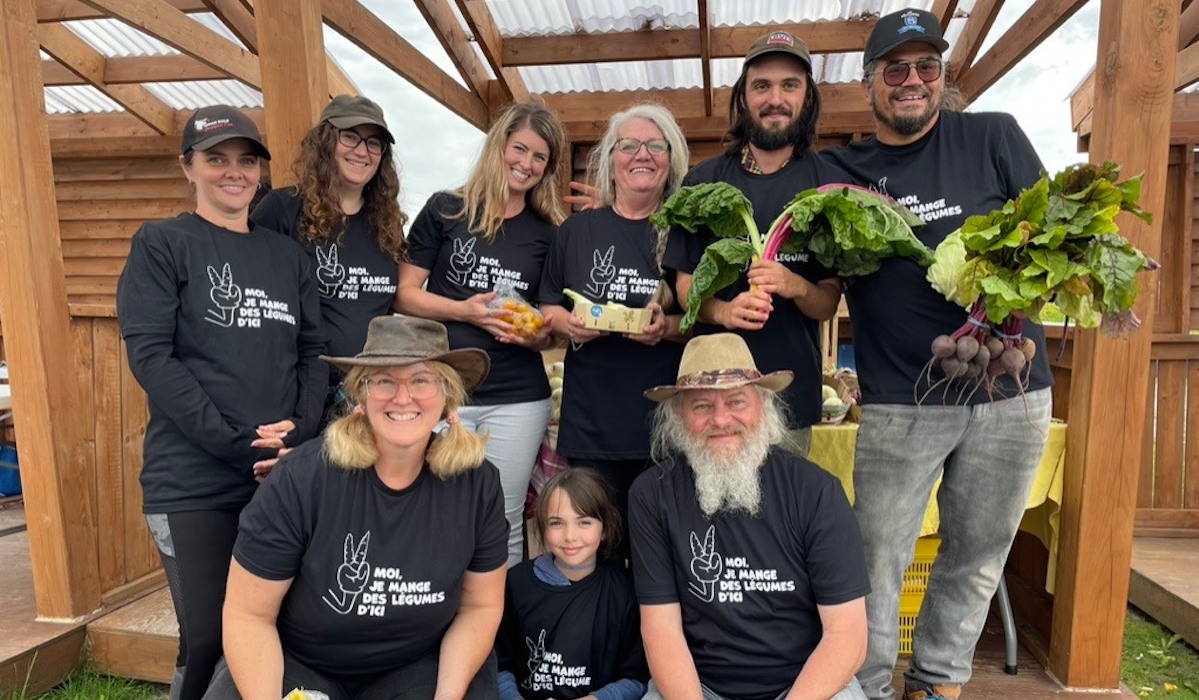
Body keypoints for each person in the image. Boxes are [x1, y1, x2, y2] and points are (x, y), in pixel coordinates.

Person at [821, 9, 1055, 700]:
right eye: (895, 70)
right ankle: (859, 685)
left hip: (1009, 392)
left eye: (926, 67)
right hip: (900, 397)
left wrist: (1001, 289)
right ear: (870, 85)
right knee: (875, 556)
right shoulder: (842, 170)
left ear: (942, 77)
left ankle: (935, 682)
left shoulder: (993, 137)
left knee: (977, 554)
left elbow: (1048, 241)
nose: (911, 81)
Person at [116, 105, 326, 700]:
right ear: (188, 166)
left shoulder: (287, 257)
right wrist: (237, 443)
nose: (233, 172)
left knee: (279, 630)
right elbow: (152, 358)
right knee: (208, 638)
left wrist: (300, 437)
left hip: (278, 477)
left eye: (245, 160)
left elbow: (313, 352)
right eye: (216, 159)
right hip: (192, 482)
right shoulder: (163, 243)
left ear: (260, 171)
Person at [203, 315, 508, 700]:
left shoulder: (477, 484)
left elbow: (480, 607)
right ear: (360, 396)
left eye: (421, 379)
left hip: (418, 665)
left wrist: (446, 697)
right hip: (299, 662)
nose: (402, 397)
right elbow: (249, 616)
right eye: (383, 380)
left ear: (447, 395)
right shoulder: (301, 479)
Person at [629, 333, 870, 700]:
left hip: (806, 687)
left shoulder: (817, 492)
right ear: (679, 415)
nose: (721, 419)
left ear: (763, 404)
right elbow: (662, 630)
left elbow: (848, 636)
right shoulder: (651, 495)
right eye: (701, 406)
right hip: (697, 689)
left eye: (736, 400)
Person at [661, 30, 843, 457]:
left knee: (783, 515)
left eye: (789, 85)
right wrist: (724, 310)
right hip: (710, 398)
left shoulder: (828, 185)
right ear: (743, 97)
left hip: (790, 397)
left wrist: (796, 285)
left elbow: (828, 303)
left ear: (807, 98)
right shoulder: (704, 182)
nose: (774, 98)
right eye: (761, 85)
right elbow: (686, 287)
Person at [398, 101, 565, 565]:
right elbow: (404, 293)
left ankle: (500, 631)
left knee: (504, 517)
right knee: (428, 507)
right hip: (442, 389)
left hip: (518, 397)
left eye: (540, 158)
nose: (527, 164)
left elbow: (552, 332)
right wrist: (464, 311)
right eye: (520, 149)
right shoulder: (446, 209)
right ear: (498, 146)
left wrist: (537, 337)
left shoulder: (549, 233)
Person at [538, 103, 688, 543]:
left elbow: (705, 321)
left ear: (671, 158)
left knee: (656, 551)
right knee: (597, 550)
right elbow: (547, 307)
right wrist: (570, 325)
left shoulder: (684, 230)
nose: (642, 154)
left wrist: (667, 327)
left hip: (666, 428)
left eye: (655, 145)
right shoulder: (577, 231)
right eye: (629, 145)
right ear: (610, 158)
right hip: (591, 425)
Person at [251, 95, 408, 425]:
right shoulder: (282, 210)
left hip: (363, 396)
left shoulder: (387, 225)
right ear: (326, 141)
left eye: (374, 143)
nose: (362, 151)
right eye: (350, 136)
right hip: (295, 393)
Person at [495, 468, 649, 700]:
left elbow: (637, 678)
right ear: (543, 527)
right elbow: (497, 665)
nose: (570, 536)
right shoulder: (515, 584)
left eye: (584, 523)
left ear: (605, 528)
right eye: (557, 523)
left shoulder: (624, 591)